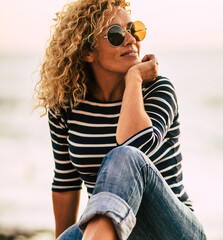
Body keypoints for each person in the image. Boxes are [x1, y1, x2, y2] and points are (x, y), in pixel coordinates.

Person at [35, 0, 206, 239]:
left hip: (172, 230)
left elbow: (134, 144)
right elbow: (66, 181)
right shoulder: (66, 105)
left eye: (133, 29)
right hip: (112, 232)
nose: (130, 39)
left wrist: (134, 80)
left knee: (124, 156)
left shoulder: (158, 91)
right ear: (87, 52)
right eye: (115, 34)